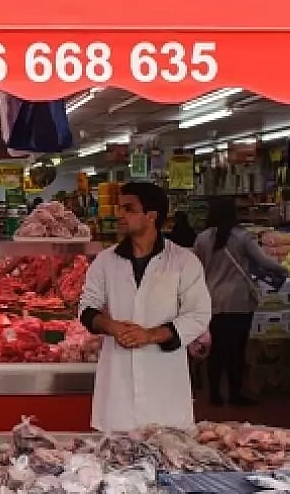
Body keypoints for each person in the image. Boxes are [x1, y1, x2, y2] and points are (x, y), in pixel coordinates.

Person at [78, 182, 212, 432]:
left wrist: (150, 335)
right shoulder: (105, 261)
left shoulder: (183, 261)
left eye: (128, 209)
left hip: (165, 382)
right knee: (116, 457)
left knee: (167, 456)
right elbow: (87, 308)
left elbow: (199, 315)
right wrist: (111, 326)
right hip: (118, 386)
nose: (119, 215)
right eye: (119, 208)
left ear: (151, 216)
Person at [193, 198, 288, 406]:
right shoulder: (242, 237)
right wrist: (283, 269)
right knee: (236, 349)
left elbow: (196, 268)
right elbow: (263, 261)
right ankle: (236, 394)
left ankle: (215, 395)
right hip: (239, 301)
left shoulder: (202, 238)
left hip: (212, 301)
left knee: (215, 350)